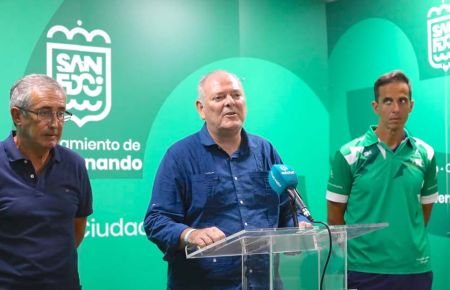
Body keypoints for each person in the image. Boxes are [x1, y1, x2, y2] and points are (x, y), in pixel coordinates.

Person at [144, 70, 309, 290]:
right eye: (219, 97)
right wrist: (190, 234)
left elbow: (289, 210)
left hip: (264, 283)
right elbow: (156, 221)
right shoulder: (180, 156)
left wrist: (299, 227)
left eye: (236, 95)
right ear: (201, 109)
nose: (230, 103)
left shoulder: (265, 151)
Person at [326, 70, 438, 290]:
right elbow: (335, 214)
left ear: (411, 105)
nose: (395, 109)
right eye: (387, 101)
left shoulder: (426, 154)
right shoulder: (349, 154)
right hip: (364, 272)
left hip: (415, 269)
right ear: (375, 107)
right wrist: (358, 254)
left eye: (402, 101)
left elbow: (424, 211)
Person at [0, 74, 93, 290]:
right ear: (17, 116)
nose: (54, 123)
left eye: (60, 113)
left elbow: (77, 227)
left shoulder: (74, 164)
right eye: (44, 112)